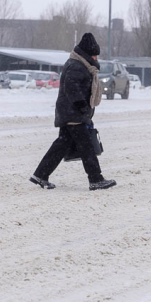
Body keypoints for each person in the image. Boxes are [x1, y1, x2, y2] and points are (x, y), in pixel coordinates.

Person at [30, 33, 117, 191]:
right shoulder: (76, 65)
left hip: (71, 113)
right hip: (73, 113)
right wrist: (82, 106)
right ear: (86, 54)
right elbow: (71, 88)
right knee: (86, 146)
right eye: (93, 55)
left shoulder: (81, 65)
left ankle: (41, 174)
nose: (96, 58)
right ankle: (95, 179)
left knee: (62, 145)